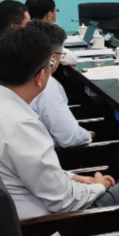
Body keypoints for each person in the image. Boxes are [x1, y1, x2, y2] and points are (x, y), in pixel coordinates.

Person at [0, 23, 119, 219]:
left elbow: (33, 172)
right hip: (49, 223)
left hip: (10, 212)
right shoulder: (21, 126)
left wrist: (75, 178)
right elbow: (65, 201)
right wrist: (100, 186)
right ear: (41, 76)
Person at [30, 20, 94, 148]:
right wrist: (89, 135)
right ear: (53, 58)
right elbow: (70, 138)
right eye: (61, 54)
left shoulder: (15, 73)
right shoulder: (46, 84)